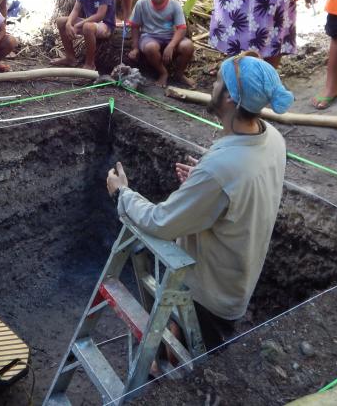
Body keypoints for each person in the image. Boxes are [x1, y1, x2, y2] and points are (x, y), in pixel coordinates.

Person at [106, 52, 292, 350]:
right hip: (237, 279)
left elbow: (161, 223)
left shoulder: (221, 170)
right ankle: (163, 357)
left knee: (185, 368)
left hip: (207, 296)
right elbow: (241, 186)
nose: (212, 85)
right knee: (177, 344)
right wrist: (205, 182)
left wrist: (122, 194)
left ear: (230, 97)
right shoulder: (272, 139)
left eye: (218, 81)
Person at [127, 0, 194, 88]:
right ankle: (163, 73)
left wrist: (171, 45)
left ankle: (179, 74)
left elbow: (181, 28)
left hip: (169, 37)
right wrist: (135, 47)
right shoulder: (141, 3)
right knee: (150, 48)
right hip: (149, 37)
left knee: (187, 46)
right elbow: (135, 26)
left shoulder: (174, 5)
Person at [51, 0, 115, 70]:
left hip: (105, 26)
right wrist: (69, 23)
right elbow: (76, 9)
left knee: (87, 27)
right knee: (61, 21)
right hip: (90, 23)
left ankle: (90, 63)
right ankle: (70, 58)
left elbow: (100, 15)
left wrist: (78, 25)